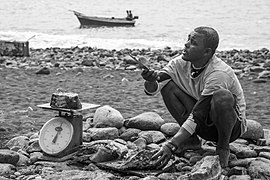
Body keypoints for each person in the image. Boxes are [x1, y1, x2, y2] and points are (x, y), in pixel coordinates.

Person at [141, 26, 247, 168]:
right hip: (202, 122)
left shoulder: (219, 73)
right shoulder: (179, 63)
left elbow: (199, 112)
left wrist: (172, 144)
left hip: (230, 127)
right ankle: (191, 140)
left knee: (222, 96)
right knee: (168, 86)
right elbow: (153, 89)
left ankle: (223, 146)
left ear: (207, 52)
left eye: (193, 43)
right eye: (188, 39)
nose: (186, 44)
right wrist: (150, 81)